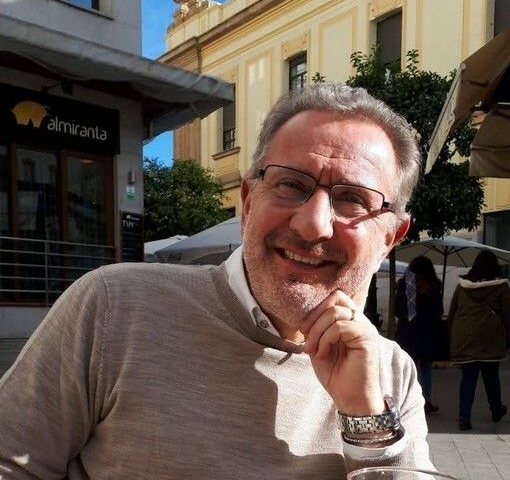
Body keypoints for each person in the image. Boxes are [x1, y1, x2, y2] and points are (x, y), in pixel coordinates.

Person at [0, 84, 434, 478]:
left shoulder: (391, 372)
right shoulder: (115, 306)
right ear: (248, 201)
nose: (312, 224)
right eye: (290, 184)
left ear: (390, 238)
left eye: (353, 199)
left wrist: (366, 417)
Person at [449, 249, 510, 431]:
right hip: (490, 337)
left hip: (465, 335)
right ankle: (496, 409)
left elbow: (453, 312)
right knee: (491, 376)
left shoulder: (463, 286)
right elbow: (508, 315)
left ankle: (464, 417)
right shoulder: (501, 286)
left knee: (468, 377)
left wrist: (454, 334)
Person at [395, 256, 444, 415]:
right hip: (426, 332)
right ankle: (426, 401)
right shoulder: (433, 285)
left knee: (408, 368)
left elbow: (398, 310)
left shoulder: (405, 284)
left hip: (407, 332)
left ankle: (407, 402)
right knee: (425, 369)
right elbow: (438, 311)